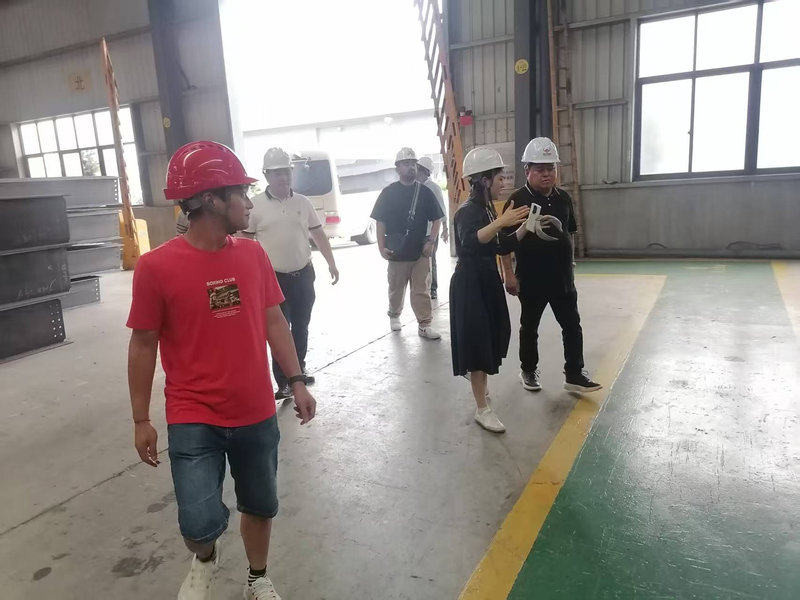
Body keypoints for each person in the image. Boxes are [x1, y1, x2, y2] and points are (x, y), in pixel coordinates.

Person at [127, 141, 316, 600]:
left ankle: (257, 577)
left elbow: (275, 320)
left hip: (255, 409)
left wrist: (296, 380)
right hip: (194, 414)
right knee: (197, 523)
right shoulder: (155, 267)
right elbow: (143, 344)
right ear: (211, 199)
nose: (249, 203)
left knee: (260, 505)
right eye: (241, 193)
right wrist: (140, 418)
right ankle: (205, 557)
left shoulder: (252, 255)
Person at [500, 137, 601, 394]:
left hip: (562, 278)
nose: (546, 174)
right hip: (531, 278)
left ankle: (574, 374)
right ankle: (528, 370)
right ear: (527, 170)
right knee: (529, 327)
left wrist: (571, 262)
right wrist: (509, 275)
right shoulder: (517, 200)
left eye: (550, 168)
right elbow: (504, 242)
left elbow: (569, 232)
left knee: (572, 325)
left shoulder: (563, 198)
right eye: (540, 169)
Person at [241, 147, 340, 401]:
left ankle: (299, 370)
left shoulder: (303, 203)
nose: (283, 177)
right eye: (277, 173)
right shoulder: (256, 206)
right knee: (278, 329)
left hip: (303, 275)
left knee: (301, 325)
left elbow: (318, 234)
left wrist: (331, 263)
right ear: (266, 175)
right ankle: (284, 381)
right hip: (273, 279)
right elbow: (246, 242)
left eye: (286, 172)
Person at [450, 146, 530, 432]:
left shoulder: (486, 209)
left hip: (487, 280)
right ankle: (482, 408)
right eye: (499, 178)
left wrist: (525, 227)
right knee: (478, 342)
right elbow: (471, 241)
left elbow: (499, 245)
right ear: (484, 180)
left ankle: (481, 387)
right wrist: (502, 222)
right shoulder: (467, 212)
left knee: (493, 335)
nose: (503, 183)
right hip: (470, 284)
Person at [371, 147, 444, 339]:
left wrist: (431, 241)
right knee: (396, 288)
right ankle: (394, 315)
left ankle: (424, 324)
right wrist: (381, 247)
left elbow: (437, 219)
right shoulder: (388, 193)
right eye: (406, 164)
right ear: (397, 168)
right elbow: (380, 221)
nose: (410, 167)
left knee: (421, 290)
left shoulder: (425, 192)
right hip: (396, 252)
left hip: (420, 252)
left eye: (413, 164)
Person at [415, 156, 449, 299]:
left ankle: (433, 288)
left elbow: (441, 209)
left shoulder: (433, 188)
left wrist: (445, 229)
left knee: (431, 260)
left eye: (417, 168)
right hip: (418, 232)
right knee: (419, 262)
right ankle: (422, 287)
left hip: (431, 232)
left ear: (424, 171)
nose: (415, 171)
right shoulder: (414, 187)